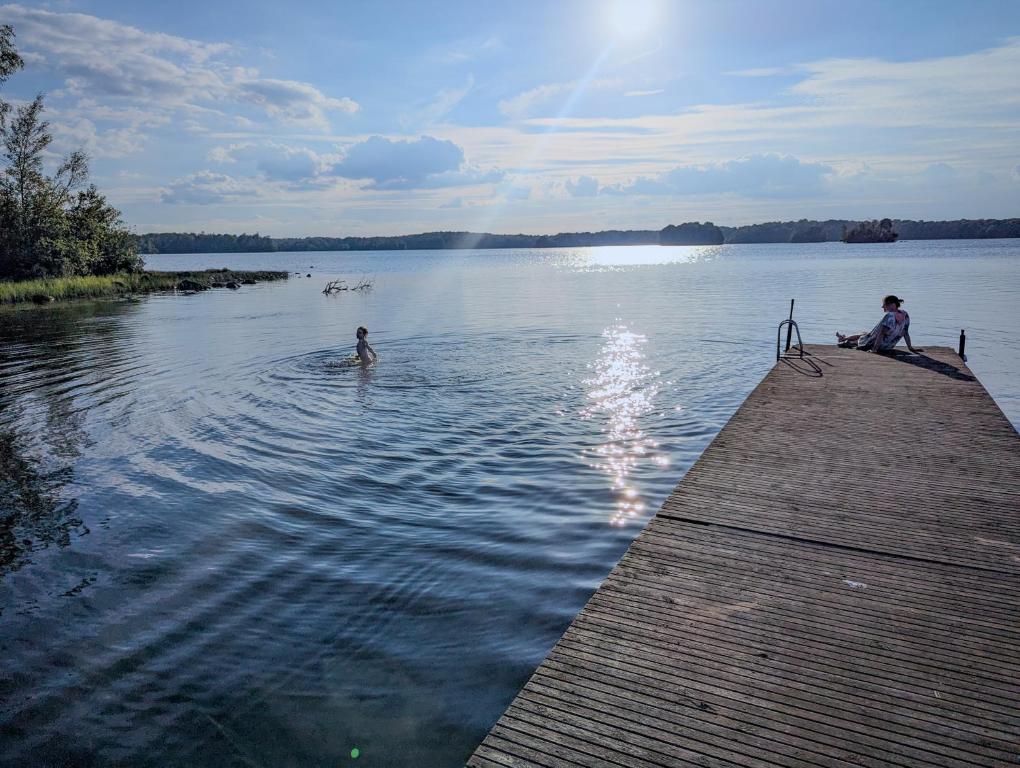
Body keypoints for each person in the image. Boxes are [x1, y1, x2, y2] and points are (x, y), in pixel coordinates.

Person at [836, 295, 922, 353]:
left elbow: (881, 333)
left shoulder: (890, 316)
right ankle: (843, 338)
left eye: (884, 304)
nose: (882, 307)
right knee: (865, 334)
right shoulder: (905, 315)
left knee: (862, 337)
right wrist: (910, 348)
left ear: (892, 304)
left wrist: (874, 350)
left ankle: (845, 340)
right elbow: (905, 333)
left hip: (876, 346)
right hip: (888, 346)